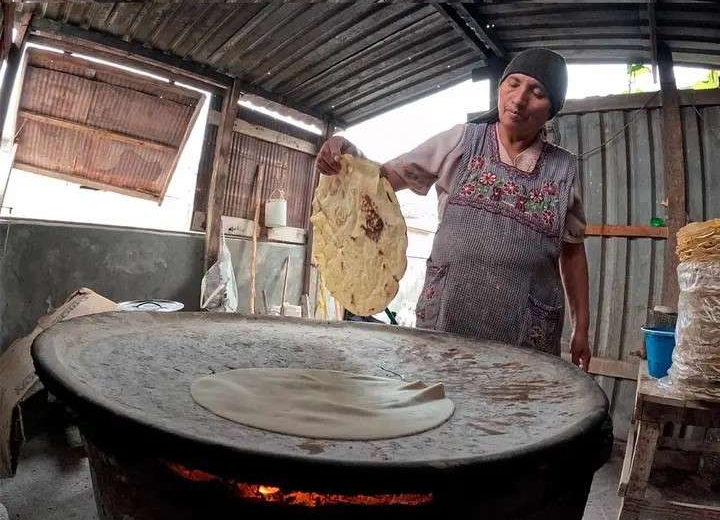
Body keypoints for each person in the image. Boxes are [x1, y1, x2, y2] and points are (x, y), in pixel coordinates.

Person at [316, 49, 591, 372]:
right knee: (441, 404)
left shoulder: (563, 170)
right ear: (501, 88)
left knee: (514, 413)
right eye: (513, 84)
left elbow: (572, 253)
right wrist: (349, 155)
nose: (519, 100)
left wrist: (581, 328)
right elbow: (384, 179)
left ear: (551, 108)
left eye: (537, 92)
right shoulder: (461, 141)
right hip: (449, 314)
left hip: (525, 328)